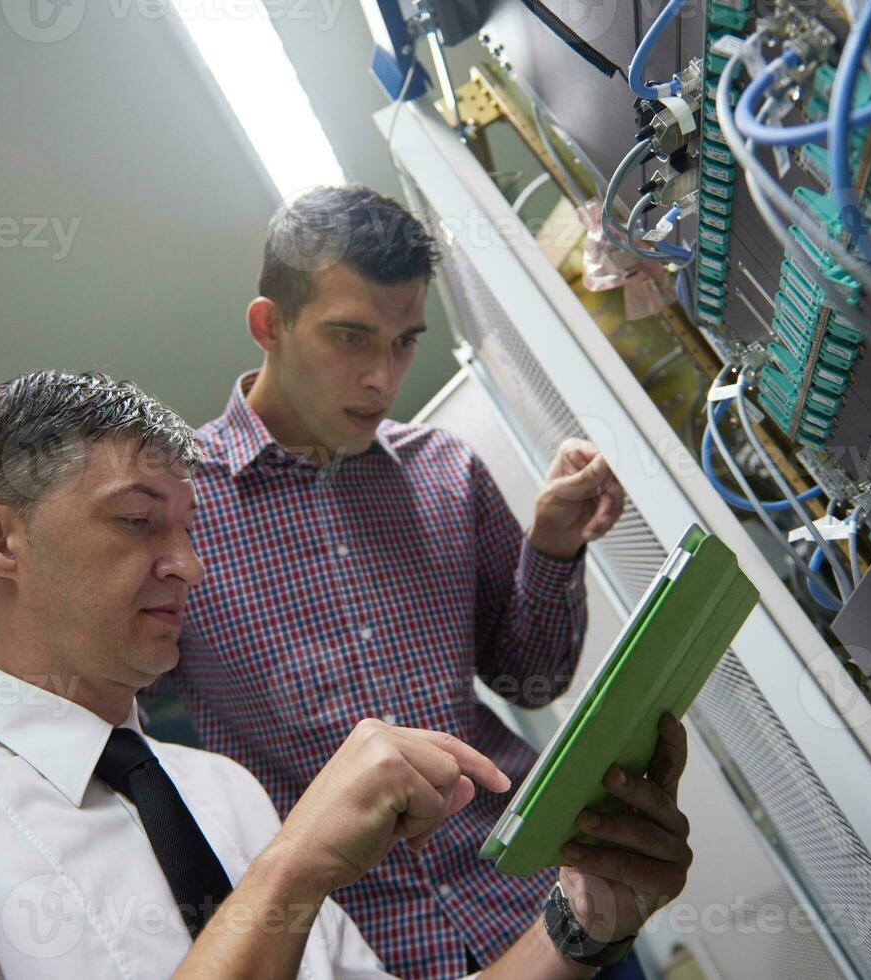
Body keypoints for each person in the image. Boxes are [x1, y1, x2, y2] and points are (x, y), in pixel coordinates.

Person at [0, 371, 692, 978]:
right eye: (136, 522)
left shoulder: (225, 794)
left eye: (189, 529)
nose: (189, 565)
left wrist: (585, 918)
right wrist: (290, 875)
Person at [157, 185, 628, 977]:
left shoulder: (446, 472)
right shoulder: (172, 509)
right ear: (268, 325)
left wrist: (549, 547)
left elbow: (529, 676)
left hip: (552, 909)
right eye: (351, 337)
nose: (383, 377)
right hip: (367, 955)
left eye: (405, 341)